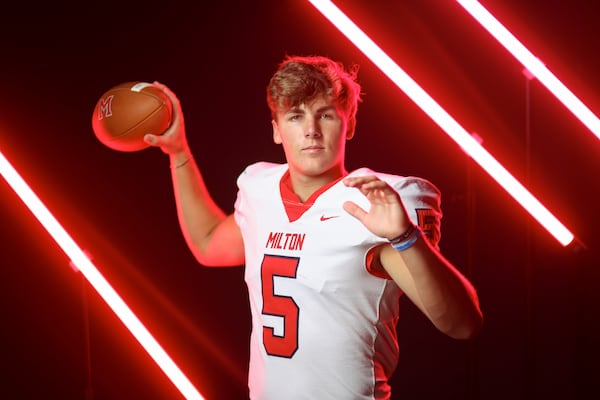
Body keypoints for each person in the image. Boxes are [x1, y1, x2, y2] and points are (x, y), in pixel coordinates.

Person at [144, 55, 483, 400]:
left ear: (348, 123)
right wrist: (178, 152)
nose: (311, 130)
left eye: (325, 114)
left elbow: (461, 325)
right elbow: (208, 244)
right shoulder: (259, 187)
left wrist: (405, 236)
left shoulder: (377, 201)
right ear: (276, 129)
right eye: (295, 116)